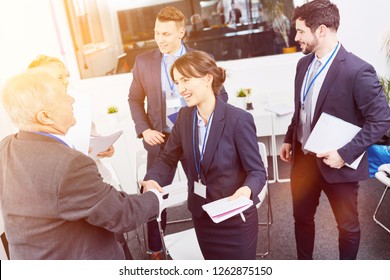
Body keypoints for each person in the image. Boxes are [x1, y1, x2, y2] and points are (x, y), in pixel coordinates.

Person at [0, 69, 163, 259]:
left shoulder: (6, 146)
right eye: (63, 97)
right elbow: (122, 214)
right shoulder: (68, 163)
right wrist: (153, 195)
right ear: (45, 117)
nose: (72, 100)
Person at [279, 0, 390, 260]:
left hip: (338, 163)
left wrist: (344, 153)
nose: (296, 38)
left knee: (347, 227)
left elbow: (382, 120)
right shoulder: (303, 66)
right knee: (301, 220)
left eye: (300, 31)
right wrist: (288, 138)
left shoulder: (357, 70)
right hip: (303, 161)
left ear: (321, 31)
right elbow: (302, 108)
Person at [140, 50, 267, 260]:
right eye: (177, 82)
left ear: (207, 78)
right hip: (202, 216)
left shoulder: (238, 119)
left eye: (185, 80)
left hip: (234, 218)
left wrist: (246, 190)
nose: (180, 89)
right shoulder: (184, 117)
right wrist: (152, 179)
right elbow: (168, 158)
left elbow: (257, 171)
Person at [128, 6, 228, 260]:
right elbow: (134, 99)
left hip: (195, 136)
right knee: (154, 191)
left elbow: (220, 95)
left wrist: (208, 123)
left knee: (205, 187)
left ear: (181, 32)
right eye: (156, 33)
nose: (159, 39)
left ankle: (213, 236)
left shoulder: (201, 57)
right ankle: (155, 248)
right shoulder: (143, 62)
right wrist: (144, 129)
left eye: (166, 34)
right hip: (160, 138)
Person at [28, 55, 116, 183]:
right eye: (59, 78)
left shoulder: (77, 104)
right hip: (72, 184)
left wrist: (104, 147)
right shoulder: (35, 118)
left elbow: (91, 136)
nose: (66, 81)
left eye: (65, 76)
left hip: (98, 177)